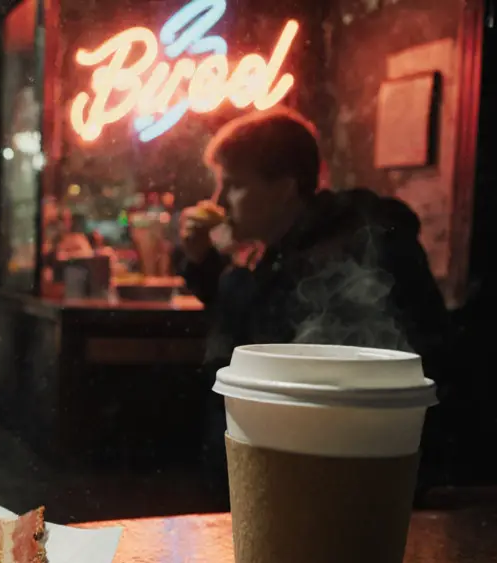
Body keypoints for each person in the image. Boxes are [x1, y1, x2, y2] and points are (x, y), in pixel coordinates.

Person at [179, 108, 451, 505]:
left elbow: (258, 338)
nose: (219, 201)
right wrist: (204, 263)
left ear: (285, 187)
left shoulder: (340, 255)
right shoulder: (291, 248)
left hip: (322, 487)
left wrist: (219, 266)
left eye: (234, 185)